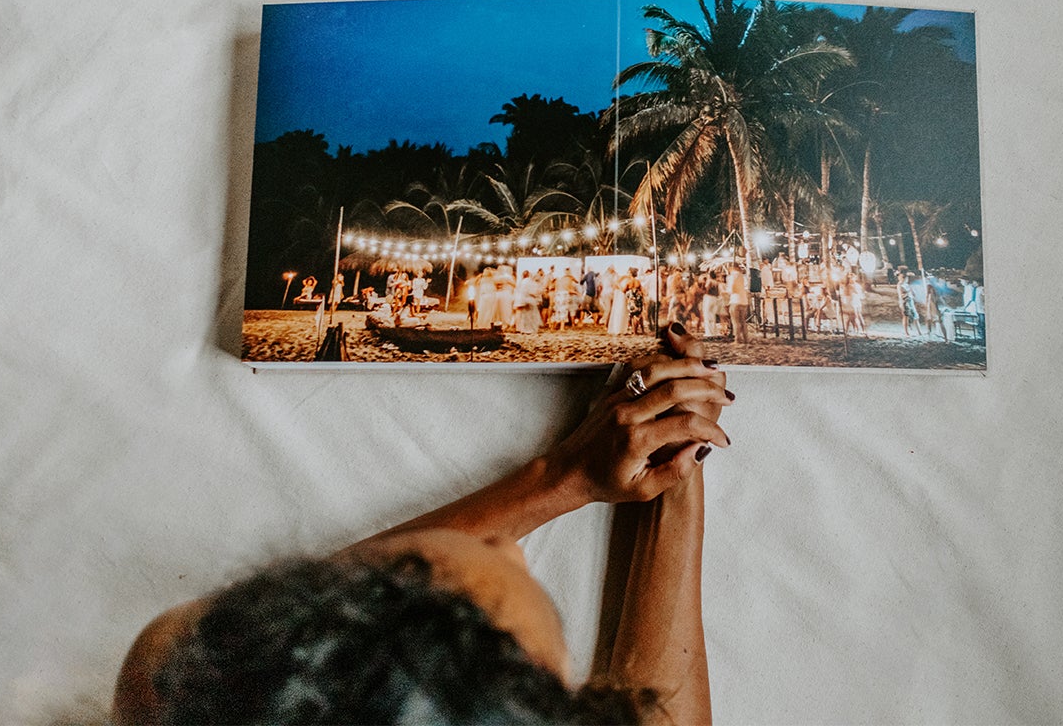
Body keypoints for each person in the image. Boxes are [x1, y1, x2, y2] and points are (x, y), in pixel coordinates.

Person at [112, 328, 732, 726]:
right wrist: (679, 477)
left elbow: (248, 633)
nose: (501, 543)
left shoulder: (179, 684)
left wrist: (566, 477)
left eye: (415, 579)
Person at [727, 263, 749, 344]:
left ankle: (738, 339)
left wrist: (728, 291)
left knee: (735, 321)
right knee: (743, 321)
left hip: (735, 300)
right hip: (743, 300)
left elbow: (731, 289)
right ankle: (746, 338)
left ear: (732, 267)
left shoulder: (731, 276)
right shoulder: (742, 276)